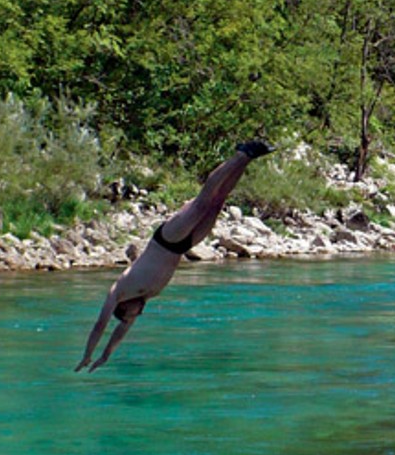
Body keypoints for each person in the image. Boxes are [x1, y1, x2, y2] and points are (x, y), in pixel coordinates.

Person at [75, 139, 274, 371]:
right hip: (183, 246)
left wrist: (87, 354)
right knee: (218, 203)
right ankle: (248, 158)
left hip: (166, 239)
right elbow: (119, 334)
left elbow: (101, 325)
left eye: (131, 316)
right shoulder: (146, 296)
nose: (136, 316)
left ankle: (240, 154)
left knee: (202, 203)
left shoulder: (118, 291)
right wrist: (106, 356)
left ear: (123, 308)